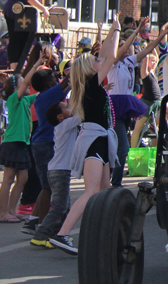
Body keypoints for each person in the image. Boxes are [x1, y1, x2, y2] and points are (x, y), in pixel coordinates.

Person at [51, 14, 123, 255]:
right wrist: (116, 30)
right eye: (94, 60)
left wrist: (113, 30)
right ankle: (62, 233)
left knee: (104, 190)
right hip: (93, 141)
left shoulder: (92, 84)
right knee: (93, 191)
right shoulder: (92, 84)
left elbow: (105, 55)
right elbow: (110, 56)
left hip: (100, 141)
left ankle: (101, 236)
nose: (98, 61)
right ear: (90, 68)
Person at [107, 18, 168, 187]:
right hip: (114, 107)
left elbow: (149, 49)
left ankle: (110, 178)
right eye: (123, 44)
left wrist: (161, 36)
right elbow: (118, 51)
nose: (128, 46)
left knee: (118, 144)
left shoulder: (130, 62)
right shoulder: (113, 64)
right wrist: (135, 32)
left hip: (126, 106)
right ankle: (115, 183)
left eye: (129, 44)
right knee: (121, 147)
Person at [0, 52, 48, 222]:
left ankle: (11, 210)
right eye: (22, 84)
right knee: (8, 179)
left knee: (23, 178)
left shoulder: (25, 101)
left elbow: (42, 94)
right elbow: (26, 81)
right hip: (12, 143)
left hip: (23, 143)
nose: (26, 86)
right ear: (16, 88)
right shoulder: (14, 99)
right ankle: (3, 213)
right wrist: (36, 64)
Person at [21, 66, 69, 236]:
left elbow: (68, 86)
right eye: (54, 78)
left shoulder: (45, 96)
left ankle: (33, 221)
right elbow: (68, 83)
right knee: (47, 187)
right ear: (48, 83)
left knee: (45, 186)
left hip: (43, 143)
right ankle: (42, 226)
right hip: (44, 144)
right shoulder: (48, 95)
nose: (57, 80)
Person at [30, 100, 79, 249]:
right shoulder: (65, 125)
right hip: (60, 171)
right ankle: (41, 235)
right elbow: (81, 114)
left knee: (65, 207)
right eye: (66, 107)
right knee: (59, 207)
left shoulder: (64, 125)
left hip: (58, 171)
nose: (69, 107)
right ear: (60, 116)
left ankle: (55, 236)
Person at [130, 49, 161, 149]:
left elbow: (158, 58)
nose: (154, 63)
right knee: (138, 128)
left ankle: (156, 126)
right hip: (146, 103)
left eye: (155, 62)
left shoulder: (153, 73)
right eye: (152, 61)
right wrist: (146, 53)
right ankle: (133, 150)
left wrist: (153, 49)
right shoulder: (145, 73)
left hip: (156, 102)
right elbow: (145, 61)